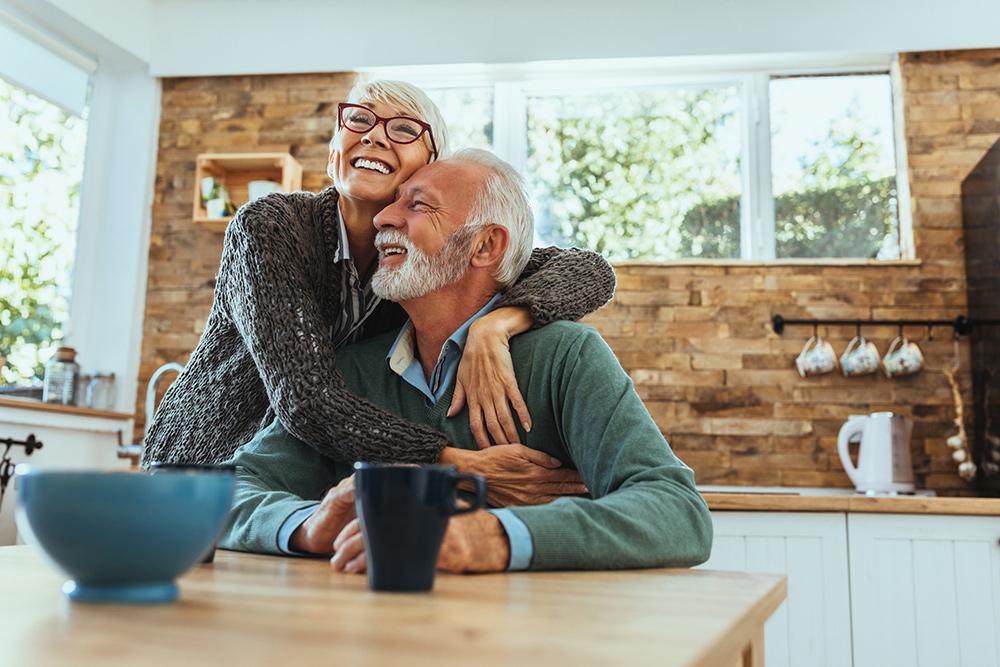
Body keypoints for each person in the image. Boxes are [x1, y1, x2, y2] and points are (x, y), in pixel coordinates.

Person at [220, 149, 712, 573]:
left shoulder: (565, 356)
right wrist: (309, 526)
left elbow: (677, 511)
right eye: (393, 203)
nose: (383, 219)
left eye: (417, 206)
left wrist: (489, 537)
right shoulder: (350, 371)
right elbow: (229, 493)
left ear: (485, 245)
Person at [141, 80, 616, 506]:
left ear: (428, 170)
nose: (373, 135)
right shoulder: (270, 228)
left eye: (404, 129)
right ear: (334, 154)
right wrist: (456, 463)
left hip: (303, 488)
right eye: (360, 120)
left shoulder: (421, 264)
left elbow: (588, 269)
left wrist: (499, 323)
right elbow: (307, 399)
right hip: (204, 467)